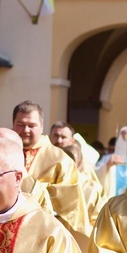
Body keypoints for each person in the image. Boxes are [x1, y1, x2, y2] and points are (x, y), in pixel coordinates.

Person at [12, 100, 89, 235]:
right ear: (13, 125)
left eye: (31, 125)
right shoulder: (3, 153)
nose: (25, 130)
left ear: (41, 127)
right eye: (20, 124)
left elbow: (70, 203)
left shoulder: (60, 159)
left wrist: (27, 183)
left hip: (44, 231)